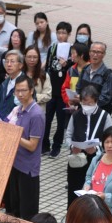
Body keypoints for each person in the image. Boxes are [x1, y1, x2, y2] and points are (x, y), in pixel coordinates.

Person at [64, 84, 111, 207]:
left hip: (96, 159)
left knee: (92, 192)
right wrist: (71, 147)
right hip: (77, 158)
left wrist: (96, 148)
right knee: (73, 191)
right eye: (84, 103)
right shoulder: (76, 115)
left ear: (96, 101)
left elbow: (110, 138)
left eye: (90, 104)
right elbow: (68, 135)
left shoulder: (104, 116)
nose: (87, 106)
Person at [5, 75, 44, 220]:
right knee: (14, 209)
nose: (20, 94)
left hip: (28, 170)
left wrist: (14, 136)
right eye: (17, 91)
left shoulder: (36, 114)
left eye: (23, 90)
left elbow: (32, 145)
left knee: (27, 213)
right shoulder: (19, 110)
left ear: (32, 90)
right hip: (15, 164)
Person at [42, 22, 72, 156]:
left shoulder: (72, 50)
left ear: (69, 34)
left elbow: (73, 69)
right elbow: (48, 66)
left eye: (64, 33)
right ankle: (44, 145)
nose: (61, 35)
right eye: (59, 32)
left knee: (61, 122)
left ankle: (57, 146)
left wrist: (66, 65)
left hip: (63, 93)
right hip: (51, 91)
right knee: (46, 120)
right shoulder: (52, 48)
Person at [78, 42, 112, 114]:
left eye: (99, 52)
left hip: (99, 113)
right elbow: (78, 88)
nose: (95, 55)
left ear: (104, 54)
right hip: (83, 110)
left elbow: (105, 98)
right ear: (89, 52)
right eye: (93, 51)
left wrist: (89, 104)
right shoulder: (85, 69)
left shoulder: (107, 74)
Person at [0, 50, 23, 119]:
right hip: (1, 122)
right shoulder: (5, 83)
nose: (9, 64)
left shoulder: (25, 84)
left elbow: (26, 109)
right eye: (7, 61)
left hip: (15, 125)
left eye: (12, 61)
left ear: (20, 65)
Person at [22, 45, 51, 111]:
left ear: (38, 58)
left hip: (37, 111)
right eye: (29, 57)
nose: (32, 60)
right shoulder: (19, 73)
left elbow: (48, 95)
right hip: (20, 110)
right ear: (24, 57)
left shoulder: (44, 75)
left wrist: (31, 97)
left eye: (35, 57)